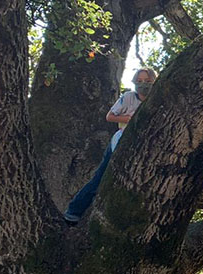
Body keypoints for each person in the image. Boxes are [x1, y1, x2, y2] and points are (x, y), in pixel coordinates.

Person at [63, 68, 157, 223]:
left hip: (143, 145)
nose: (143, 84)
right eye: (139, 81)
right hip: (122, 141)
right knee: (101, 177)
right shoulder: (128, 97)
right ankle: (73, 212)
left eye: (147, 81)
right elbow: (110, 116)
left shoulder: (157, 100)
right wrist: (130, 119)